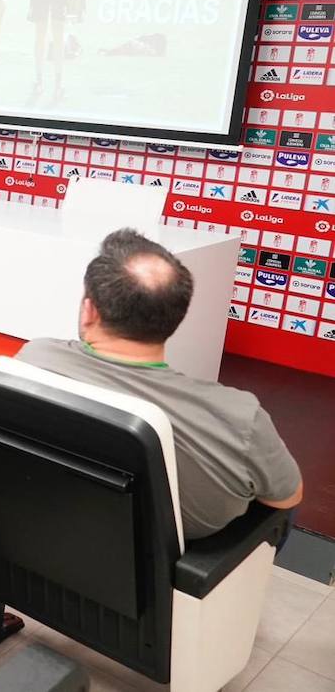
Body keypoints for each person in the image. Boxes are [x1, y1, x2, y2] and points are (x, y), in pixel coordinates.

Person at [16, 229, 302, 541]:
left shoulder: (35, 358)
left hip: (41, 535)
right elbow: (285, 498)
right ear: (175, 318)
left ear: (90, 311)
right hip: (156, 566)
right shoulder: (238, 418)